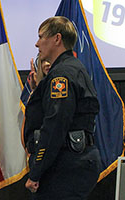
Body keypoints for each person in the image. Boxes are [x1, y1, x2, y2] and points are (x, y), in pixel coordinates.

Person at [23, 16, 101, 199]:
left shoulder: (62, 75)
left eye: (41, 36)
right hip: (70, 162)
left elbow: (55, 125)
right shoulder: (71, 69)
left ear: (57, 39)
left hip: (64, 165)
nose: (37, 43)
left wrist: (36, 171)